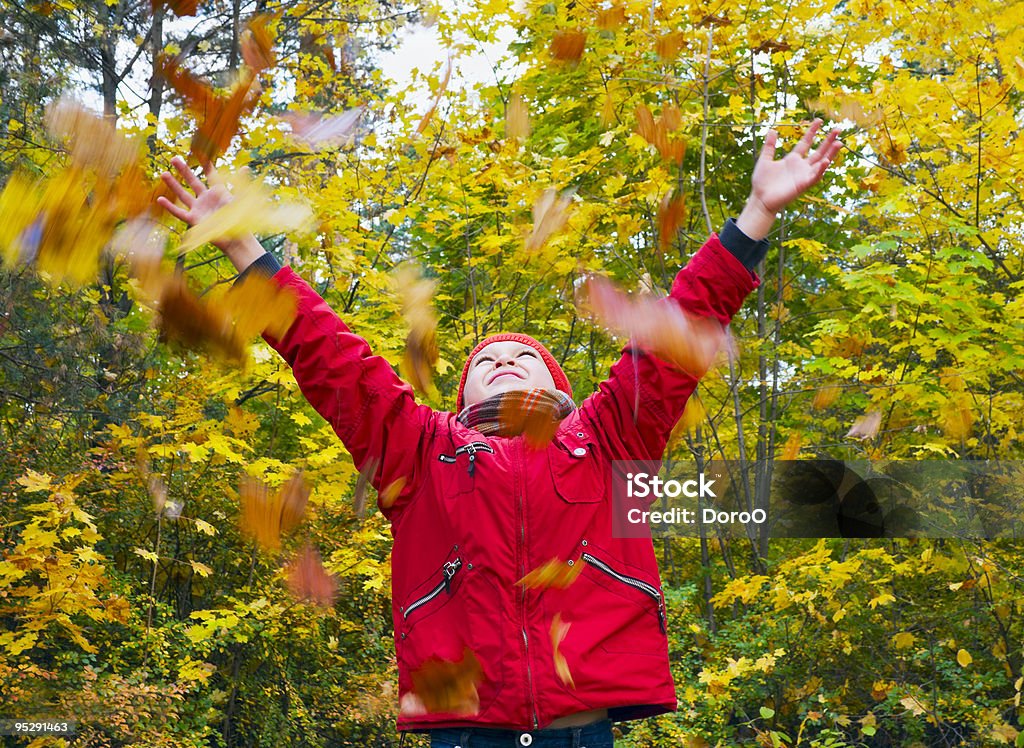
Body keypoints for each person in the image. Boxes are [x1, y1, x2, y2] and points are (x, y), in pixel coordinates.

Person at [158, 120, 841, 748]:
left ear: (558, 388)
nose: (505, 362)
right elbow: (331, 356)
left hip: (580, 734)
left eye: (524, 359)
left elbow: (676, 334)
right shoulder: (423, 452)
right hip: (465, 735)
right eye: (487, 361)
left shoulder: (607, 441)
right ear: (463, 398)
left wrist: (756, 217)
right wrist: (243, 246)